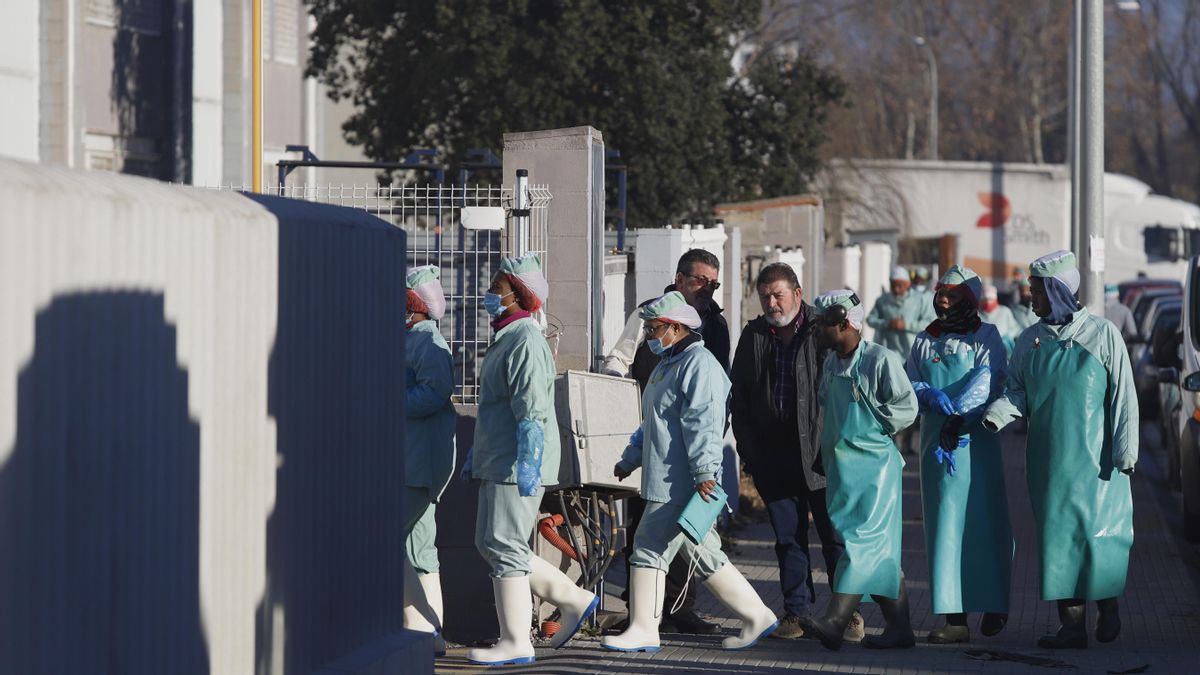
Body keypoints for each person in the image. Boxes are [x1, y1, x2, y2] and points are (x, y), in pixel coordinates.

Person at [602, 292, 778, 653]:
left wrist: (703, 473)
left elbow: (704, 425)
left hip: (680, 481)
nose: (650, 336)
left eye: (655, 329)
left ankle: (644, 628)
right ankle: (757, 615)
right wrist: (630, 459)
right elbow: (652, 423)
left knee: (648, 547)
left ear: (676, 327)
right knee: (705, 554)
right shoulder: (668, 365)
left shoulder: (700, 366)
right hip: (673, 477)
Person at [983, 250, 1138, 650]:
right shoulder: (1030, 340)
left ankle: (1108, 608)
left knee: (1098, 537)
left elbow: (1124, 397)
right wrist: (996, 414)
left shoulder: (1103, 335)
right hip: (1049, 465)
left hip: (1099, 464)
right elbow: (1017, 390)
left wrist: (1126, 452)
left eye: (1037, 290)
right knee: (1058, 543)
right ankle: (1071, 628)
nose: (1030, 297)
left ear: (1057, 291)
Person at [466, 254, 599, 666]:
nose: (490, 294)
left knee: (504, 545)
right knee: (491, 542)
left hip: (514, 462)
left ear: (518, 295)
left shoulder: (524, 341)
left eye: (497, 288)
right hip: (500, 458)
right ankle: (573, 598)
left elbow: (532, 410)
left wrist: (528, 461)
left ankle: (516, 640)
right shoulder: (508, 337)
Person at [729, 263, 862, 642]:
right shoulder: (755, 335)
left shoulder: (823, 329)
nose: (772, 303)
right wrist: (750, 452)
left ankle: (847, 615)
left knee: (834, 538)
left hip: (822, 454)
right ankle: (797, 613)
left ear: (797, 294)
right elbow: (740, 397)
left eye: (779, 295)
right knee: (788, 539)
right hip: (774, 456)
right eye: (765, 297)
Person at [601, 248, 728, 634]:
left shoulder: (715, 326)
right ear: (679, 278)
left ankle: (678, 608)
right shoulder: (648, 315)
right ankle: (642, 612)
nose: (706, 289)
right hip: (654, 440)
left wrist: (709, 454)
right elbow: (618, 360)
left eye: (713, 284)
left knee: (690, 536)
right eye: (700, 281)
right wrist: (624, 424)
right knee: (648, 531)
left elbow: (714, 392)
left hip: (691, 448)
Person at [805, 290, 919, 651]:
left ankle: (835, 622)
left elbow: (908, 407)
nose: (817, 329)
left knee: (860, 543)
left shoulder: (880, 360)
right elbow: (829, 410)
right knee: (879, 552)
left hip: (875, 472)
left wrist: (874, 430)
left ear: (843, 323)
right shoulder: (831, 363)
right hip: (843, 470)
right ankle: (900, 629)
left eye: (822, 323)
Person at [905, 266, 1014, 644]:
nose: (944, 302)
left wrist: (958, 415)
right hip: (937, 450)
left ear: (969, 300)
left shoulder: (986, 336)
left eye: (953, 296)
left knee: (986, 525)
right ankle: (955, 619)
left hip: (974, 444)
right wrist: (928, 395)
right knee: (944, 529)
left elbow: (988, 379)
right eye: (941, 295)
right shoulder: (924, 339)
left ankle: (995, 603)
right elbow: (910, 380)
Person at [402, 266, 458, 656]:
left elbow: (435, 393)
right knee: (419, 549)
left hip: (418, 460)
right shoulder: (415, 338)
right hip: (417, 459)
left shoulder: (427, 341)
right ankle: (432, 634)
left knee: (387, 539)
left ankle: (420, 626)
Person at [866, 266, 934, 357]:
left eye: (900, 286)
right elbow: (870, 319)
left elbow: (929, 324)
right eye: (893, 285)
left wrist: (906, 325)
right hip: (886, 354)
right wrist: (886, 324)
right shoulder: (882, 300)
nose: (896, 289)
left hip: (911, 355)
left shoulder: (921, 300)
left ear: (907, 284)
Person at [978, 284, 1021, 354]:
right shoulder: (976, 314)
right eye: (985, 299)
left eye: (991, 299)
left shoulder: (1005, 311)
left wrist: (1007, 337)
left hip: (1004, 352)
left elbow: (1016, 330)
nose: (988, 302)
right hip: (982, 353)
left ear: (995, 299)